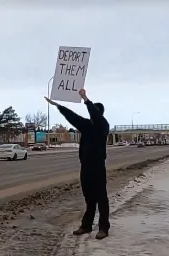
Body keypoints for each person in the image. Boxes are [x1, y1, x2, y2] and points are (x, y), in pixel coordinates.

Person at [45, 88, 110, 240]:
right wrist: (57, 106)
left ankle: (103, 228)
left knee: (101, 199)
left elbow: (95, 115)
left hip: (98, 168)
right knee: (89, 199)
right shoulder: (87, 126)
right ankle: (86, 226)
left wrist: (86, 98)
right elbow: (73, 117)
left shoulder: (103, 126)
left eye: (94, 112)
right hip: (85, 168)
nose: (92, 115)